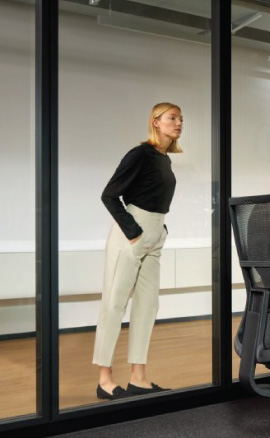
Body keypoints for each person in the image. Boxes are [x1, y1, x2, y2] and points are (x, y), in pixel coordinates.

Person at [92, 102, 183, 400]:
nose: (178, 123)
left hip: (155, 234)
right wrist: (134, 232)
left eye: (180, 119)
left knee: (148, 306)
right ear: (156, 122)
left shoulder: (164, 159)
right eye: (172, 118)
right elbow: (109, 194)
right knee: (114, 304)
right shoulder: (141, 153)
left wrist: (161, 231)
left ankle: (138, 377)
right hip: (132, 234)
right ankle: (104, 380)